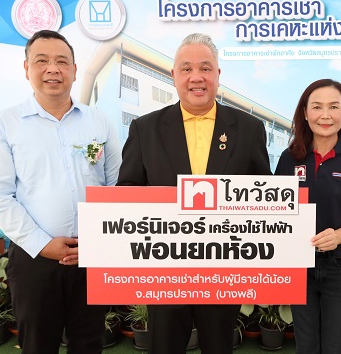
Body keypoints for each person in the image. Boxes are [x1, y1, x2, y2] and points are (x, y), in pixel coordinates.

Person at [116, 32, 271, 354]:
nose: (196, 77)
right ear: (173, 75)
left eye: (205, 68)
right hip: (164, 270)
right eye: (186, 69)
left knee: (219, 347)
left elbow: (263, 196)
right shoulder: (145, 129)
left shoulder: (249, 129)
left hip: (224, 270)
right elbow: (127, 191)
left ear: (218, 74)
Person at [0, 30, 122, 354]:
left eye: (61, 61)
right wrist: (43, 244)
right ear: (26, 69)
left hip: (91, 255)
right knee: (38, 345)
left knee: (89, 343)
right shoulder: (4, 125)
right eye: (41, 61)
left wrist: (97, 240)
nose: (52, 69)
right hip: (34, 259)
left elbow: (116, 183)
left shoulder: (98, 122)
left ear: (74, 69)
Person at [274, 79, 341, 353]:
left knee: (335, 346)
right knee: (306, 345)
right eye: (317, 107)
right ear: (305, 112)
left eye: (334, 107)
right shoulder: (289, 158)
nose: (325, 115)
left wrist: (339, 236)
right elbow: (277, 212)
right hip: (299, 263)